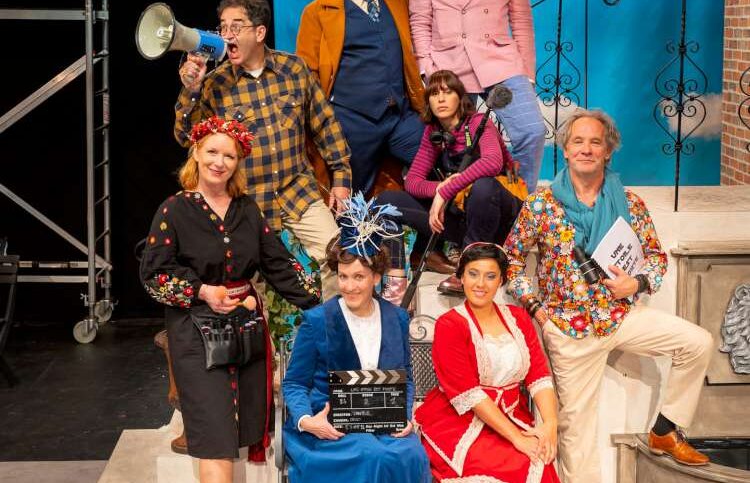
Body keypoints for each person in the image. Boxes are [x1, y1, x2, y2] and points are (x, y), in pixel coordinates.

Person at [504, 109, 713, 482]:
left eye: (595, 142)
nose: (586, 149)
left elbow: (655, 258)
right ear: (565, 150)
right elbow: (512, 262)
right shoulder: (541, 205)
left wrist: (637, 284)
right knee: (577, 435)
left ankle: (666, 430)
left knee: (697, 343)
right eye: (578, 141)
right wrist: (536, 309)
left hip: (621, 316)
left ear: (608, 151)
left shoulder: (629, 203)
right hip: (569, 329)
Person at [141, 117, 320, 483]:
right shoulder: (174, 210)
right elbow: (154, 275)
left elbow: (278, 265)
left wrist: (324, 307)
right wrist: (202, 291)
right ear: (196, 152)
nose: (219, 162)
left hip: (245, 331)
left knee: (235, 432)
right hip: (195, 334)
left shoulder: (247, 210)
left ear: (239, 163)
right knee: (215, 438)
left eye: (230, 156)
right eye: (212, 152)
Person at [175, 0, 351, 300]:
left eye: (236, 26)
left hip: (297, 191)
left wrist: (341, 178)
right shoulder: (215, 84)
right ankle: (259, 332)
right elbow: (186, 138)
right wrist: (191, 90)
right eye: (223, 27)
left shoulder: (293, 69)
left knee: (338, 256)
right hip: (246, 201)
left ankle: (331, 326)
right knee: (244, 280)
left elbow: (325, 124)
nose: (226, 34)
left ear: (259, 32)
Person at [281, 195, 431, 483]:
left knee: (411, 455)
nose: (349, 286)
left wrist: (405, 416)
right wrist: (306, 421)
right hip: (330, 427)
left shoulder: (397, 318)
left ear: (376, 277)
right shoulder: (317, 321)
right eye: (343, 277)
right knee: (371, 456)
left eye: (359, 277)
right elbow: (295, 383)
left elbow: (406, 376)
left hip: (384, 426)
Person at [415, 243, 560, 482]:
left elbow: (539, 376)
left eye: (490, 276)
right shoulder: (449, 325)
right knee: (509, 465)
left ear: (501, 280)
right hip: (459, 421)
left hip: (514, 415)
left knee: (541, 461)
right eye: (473, 274)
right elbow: (468, 394)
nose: (480, 284)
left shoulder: (519, 318)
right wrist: (518, 439)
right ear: (461, 277)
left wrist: (550, 425)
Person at [378, 70, 522, 297]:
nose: (441, 99)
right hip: (465, 219)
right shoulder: (434, 132)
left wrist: (446, 191)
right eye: (434, 94)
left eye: (447, 92)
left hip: (497, 217)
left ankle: (468, 267)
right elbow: (413, 182)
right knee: (387, 201)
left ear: (460, 97)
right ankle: (395, 288)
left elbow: (492, 162)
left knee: (482, 187)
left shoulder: (478, 122)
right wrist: (438, 188)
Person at [409, 0, 547, 192]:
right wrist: (427, 68)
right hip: (448, 64)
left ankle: (518, 202)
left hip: (500, 60)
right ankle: (465, 203)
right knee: (456, 149)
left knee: (532, 131)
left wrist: (526, 72)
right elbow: (420, 19)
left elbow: (521, 17)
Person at [296, 0, 425, 195]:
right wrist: (326, 123)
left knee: (434, 162)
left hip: (400, 114)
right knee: (352, 197)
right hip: (352, 121)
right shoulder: (317, 11)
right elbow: (308, 74)